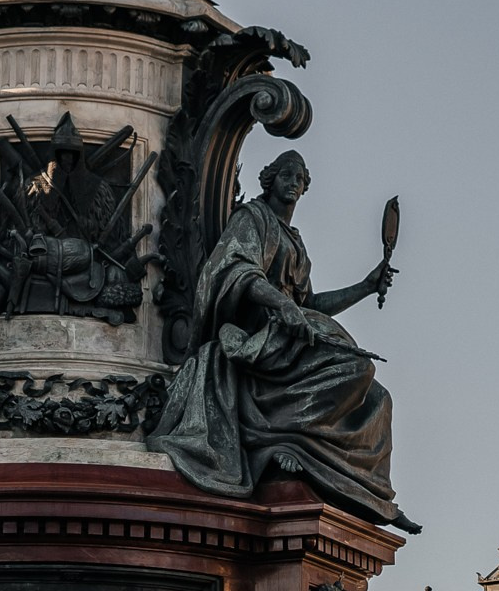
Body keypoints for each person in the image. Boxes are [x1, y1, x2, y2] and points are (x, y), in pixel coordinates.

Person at [149, 150, 410, 531]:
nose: (294, 182)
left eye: (301, 178)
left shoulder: (295, 241)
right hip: (257, 338)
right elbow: (236, 269)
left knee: (378, 398)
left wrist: (366, 287)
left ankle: (373, 494)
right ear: (270, 179)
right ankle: (285, 443)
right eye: (287, 175)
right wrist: (281, 307)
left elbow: (310, 304)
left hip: (288, 338)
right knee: (358, 368)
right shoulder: (251, 219)